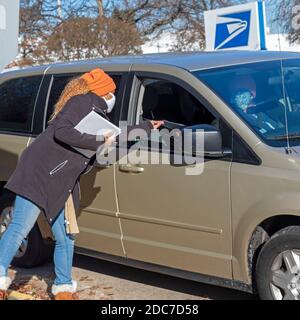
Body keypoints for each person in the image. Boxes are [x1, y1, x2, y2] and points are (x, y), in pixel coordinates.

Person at [0, 68, 163, 300]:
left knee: (66, 234)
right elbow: (62, 131)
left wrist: (146, 128)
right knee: (19, 228)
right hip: (38, 174)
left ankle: (64, 288)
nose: (113, 97)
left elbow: (112, 136)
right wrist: (98, 140)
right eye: (112, 92)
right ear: (104, 92)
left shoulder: (94, 112)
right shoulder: (81, 102)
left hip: (63, 179)